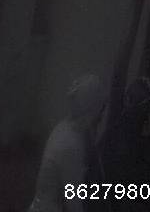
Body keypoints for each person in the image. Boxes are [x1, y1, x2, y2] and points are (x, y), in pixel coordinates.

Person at [28, 74, 106, 212]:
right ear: (94, 109)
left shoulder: (64, 128)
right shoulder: (72, 145)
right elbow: (74, 202)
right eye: (101, 110)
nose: (101, 117)